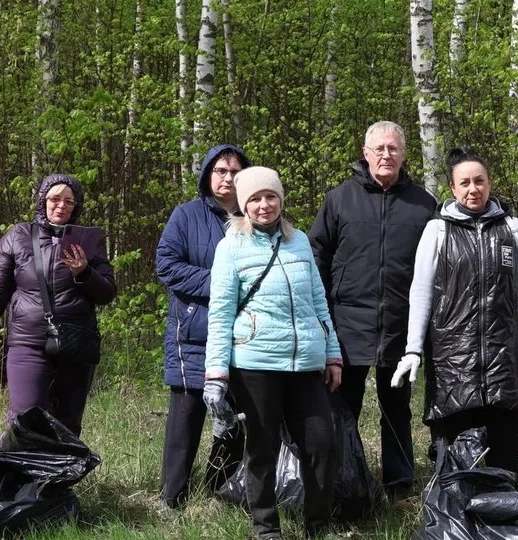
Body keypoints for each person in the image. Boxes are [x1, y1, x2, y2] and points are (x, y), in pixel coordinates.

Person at [392, 147, 518, 481]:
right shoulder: (438, 231)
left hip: (502, 367)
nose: (473, 189)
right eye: (464, 183)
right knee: (453, 468)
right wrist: (412, 349)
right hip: (452, 368)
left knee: (505, 461)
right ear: (452, 188)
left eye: (479, 181)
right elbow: (421, 292)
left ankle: (503, 522)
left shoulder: (511, 228)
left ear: (489, 183)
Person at [204, 167, 343, 540]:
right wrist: (215, 374)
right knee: (261, 450)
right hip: (255, 364)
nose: (264, 205)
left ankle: (318, 527)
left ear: (281, 199)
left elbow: (318, 301)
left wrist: (332, 355)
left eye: (270, 197)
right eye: (254, 199)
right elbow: (219, 313)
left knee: (322, 446)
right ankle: (265, 529)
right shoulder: (231, 247)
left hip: (305, 365)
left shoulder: (298, 241)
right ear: (243, 205)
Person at [308, 121, 437, 502]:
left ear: (403, 155)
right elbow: (317, 254)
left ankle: (399, 487)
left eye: (393, 149)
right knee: (342, 408)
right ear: (365, 155)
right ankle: (344, 484)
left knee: (396, 409)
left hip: (400, 324)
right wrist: (321, 313)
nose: (386, 155)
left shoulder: (423, 204)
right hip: (346, 324)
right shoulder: (339, 199)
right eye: (378, 148)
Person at [0, 174, 117, 438]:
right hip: (27, 341)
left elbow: (106, 293)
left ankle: (58, 480)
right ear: (42, 201)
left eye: (69, 201)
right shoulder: (18, 236)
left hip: (76, 342)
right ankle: (14, 479)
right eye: (54, 199)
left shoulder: (88, 240)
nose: (61, 206)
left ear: (76, 206)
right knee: (25, 420)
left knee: (67, 424)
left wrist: (84, 272)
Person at [155, 144, 250, 509]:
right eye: (221, 171)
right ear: (208, 175)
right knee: (187, 413)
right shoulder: (186, 215)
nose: (228, 178)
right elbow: (167, 266)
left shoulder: (256, 214)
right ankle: (172, 497)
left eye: (235, 172)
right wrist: (222, 284)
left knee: (236, 413)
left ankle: (220, 490)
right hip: (195, 332)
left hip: (243, 332)